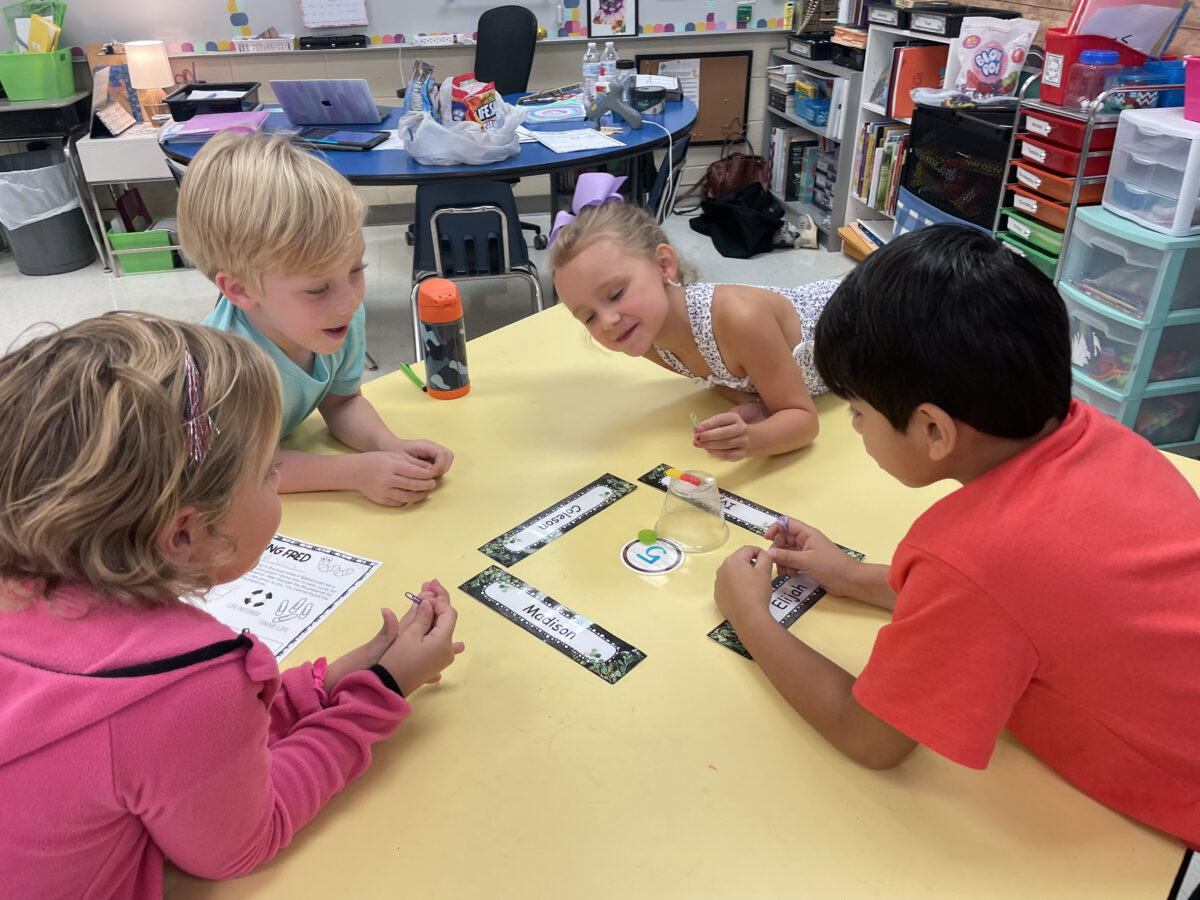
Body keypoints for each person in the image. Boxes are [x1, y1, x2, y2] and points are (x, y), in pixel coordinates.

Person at [713, 224, 1200, 847]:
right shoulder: (1096, 435)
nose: (856, 428)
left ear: (934, 431)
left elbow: (872, 736)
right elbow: (1016, 610)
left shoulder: (978, 558)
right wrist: (848, 576)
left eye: (858, 413)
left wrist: (751, 616)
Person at [0, 313, 465, 898]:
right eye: (270, 472)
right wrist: (382, 693)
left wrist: (332, 684)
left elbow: (167, 750)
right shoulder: (183, 682)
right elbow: (239, 844)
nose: (278, 481)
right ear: (185, 535)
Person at [177, 131, 453, 507]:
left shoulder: (339, 318)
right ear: (240, 290)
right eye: (317, 289)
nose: (349, 301)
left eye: (356, 270)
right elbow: (243, 471)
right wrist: (354, 473)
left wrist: (389, 446)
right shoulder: (219, 367)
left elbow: (341, 403)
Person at [548, 172, 838, 461]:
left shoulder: (740, 318)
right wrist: (758, 406)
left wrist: (750, 440)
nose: (607, 321)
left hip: (866, 323)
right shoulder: (644, 337)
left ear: (664, 265)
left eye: (615, 294)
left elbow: (804, 422)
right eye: (588, 318)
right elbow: (724, 378)